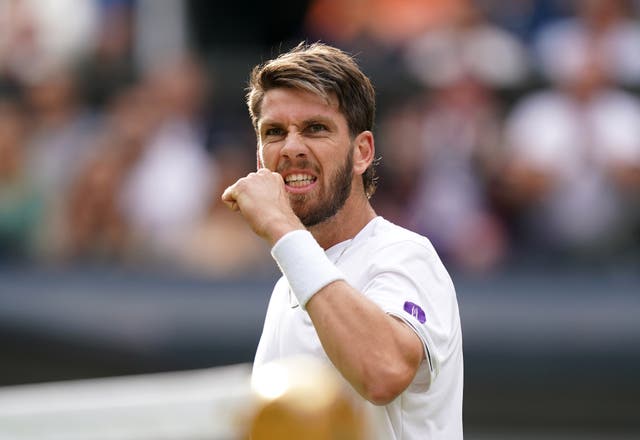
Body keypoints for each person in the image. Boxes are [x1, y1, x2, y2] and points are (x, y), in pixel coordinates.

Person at [222, 42, 463, 439]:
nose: (292, 147)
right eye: (275, 132)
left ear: (362, 152)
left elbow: (383, 372)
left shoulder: (406, 255)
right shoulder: (288, 282)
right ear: (261, 158)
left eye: (315, 129)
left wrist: (282, 227)